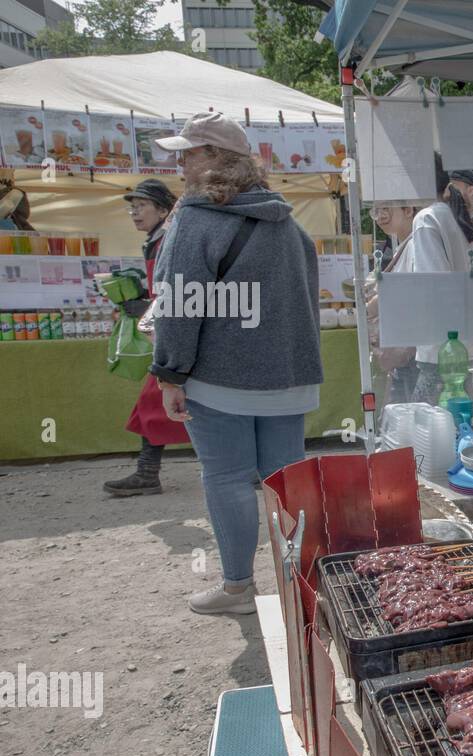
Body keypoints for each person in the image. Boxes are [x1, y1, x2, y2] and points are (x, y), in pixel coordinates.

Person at [149, 111, 323, 615]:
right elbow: (305, 299)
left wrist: (169, 372)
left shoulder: (197, 219)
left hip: (220, 377)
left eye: (188, 152)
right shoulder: (287, 222)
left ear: (214, 159)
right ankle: (301, 586)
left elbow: (179, 302)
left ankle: (238, 589)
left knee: (227, 479)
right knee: (284, 482)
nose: (179, 162)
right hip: (288, 378)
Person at [105, 179, 186, 497]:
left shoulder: (168, 240)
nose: (134, 213)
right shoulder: (157, 239)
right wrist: (144, 298)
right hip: (168, 331)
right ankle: (147, 473)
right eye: (132, 207)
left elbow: (177, 289)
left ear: (164, 210)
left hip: (175, 334)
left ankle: (147, 474)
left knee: (154, 404)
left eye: (141, 206)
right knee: (155, 405)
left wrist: (147, 304)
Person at [408, 163, 473, 404]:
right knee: (462, 421)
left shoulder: (426, 219)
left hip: (439, 348)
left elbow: (435, 285)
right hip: (469, 344)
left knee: (428, 428)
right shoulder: (464, 221)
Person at [364, 200, 424, 405]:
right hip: (407, 350)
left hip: (415, 352)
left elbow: (411, 289)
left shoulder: (418, 244)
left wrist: (372, 306)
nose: (380, 216)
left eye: (386, 209)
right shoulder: (405, 244)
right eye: (376, 210)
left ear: (408, 210)